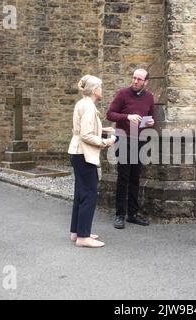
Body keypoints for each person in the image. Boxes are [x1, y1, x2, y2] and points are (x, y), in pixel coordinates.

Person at [68, 75, 115, 248]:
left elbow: (81, 128)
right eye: (100, 88)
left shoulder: (82, 103)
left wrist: (103, 129)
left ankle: (77, 232)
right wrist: (105, 141)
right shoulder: (89, 106)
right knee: (90, 194)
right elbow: (85, 135)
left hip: (76, 152)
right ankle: (83, 237)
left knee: (81, 193)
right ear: (95, 89)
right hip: (84, 154)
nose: (102, 90)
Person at [106, 68, 154, 229]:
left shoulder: (149, 97)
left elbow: (150, 116)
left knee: (135, 178)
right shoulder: (122, 94)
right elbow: (110, 114)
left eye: (139, 79)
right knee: (123, 178)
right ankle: (120, 215)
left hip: (139, 141)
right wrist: (127, 116)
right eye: (134, 78)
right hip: (124, 140)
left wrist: (150, 122)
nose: (135, 81)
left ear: (146, 82)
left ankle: (132, 214)